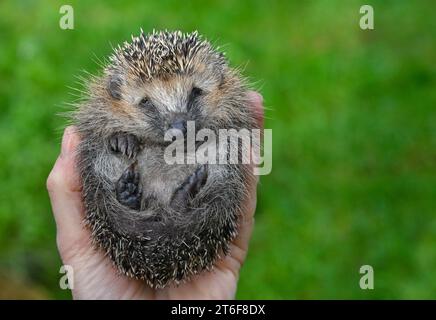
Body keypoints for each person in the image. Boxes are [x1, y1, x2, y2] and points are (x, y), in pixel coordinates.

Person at [47, 92, 264, 299]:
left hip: (183, 190)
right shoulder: (106, 111)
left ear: (218, 81)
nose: (178, 125)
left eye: (194, 95)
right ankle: (169, 206)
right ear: (115, 93)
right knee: (103, 157)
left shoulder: (226, 104)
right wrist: (118, 140)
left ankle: (150, 207)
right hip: (163, 183)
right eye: (147, 104)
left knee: (224, 163)